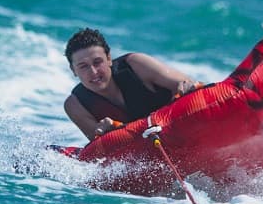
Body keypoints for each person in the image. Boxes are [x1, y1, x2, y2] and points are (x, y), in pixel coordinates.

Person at [64, 28, 199, 142]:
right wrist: (106, 134)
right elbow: (99, 151)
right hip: (146, 151)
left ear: (109, 59)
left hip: (182, 129)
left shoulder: (136, 65)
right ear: (73, 70)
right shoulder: (76, 105)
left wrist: (186, 88)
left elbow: (187, 84)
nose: (93, 72)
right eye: (83, 66)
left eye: (97, 62)